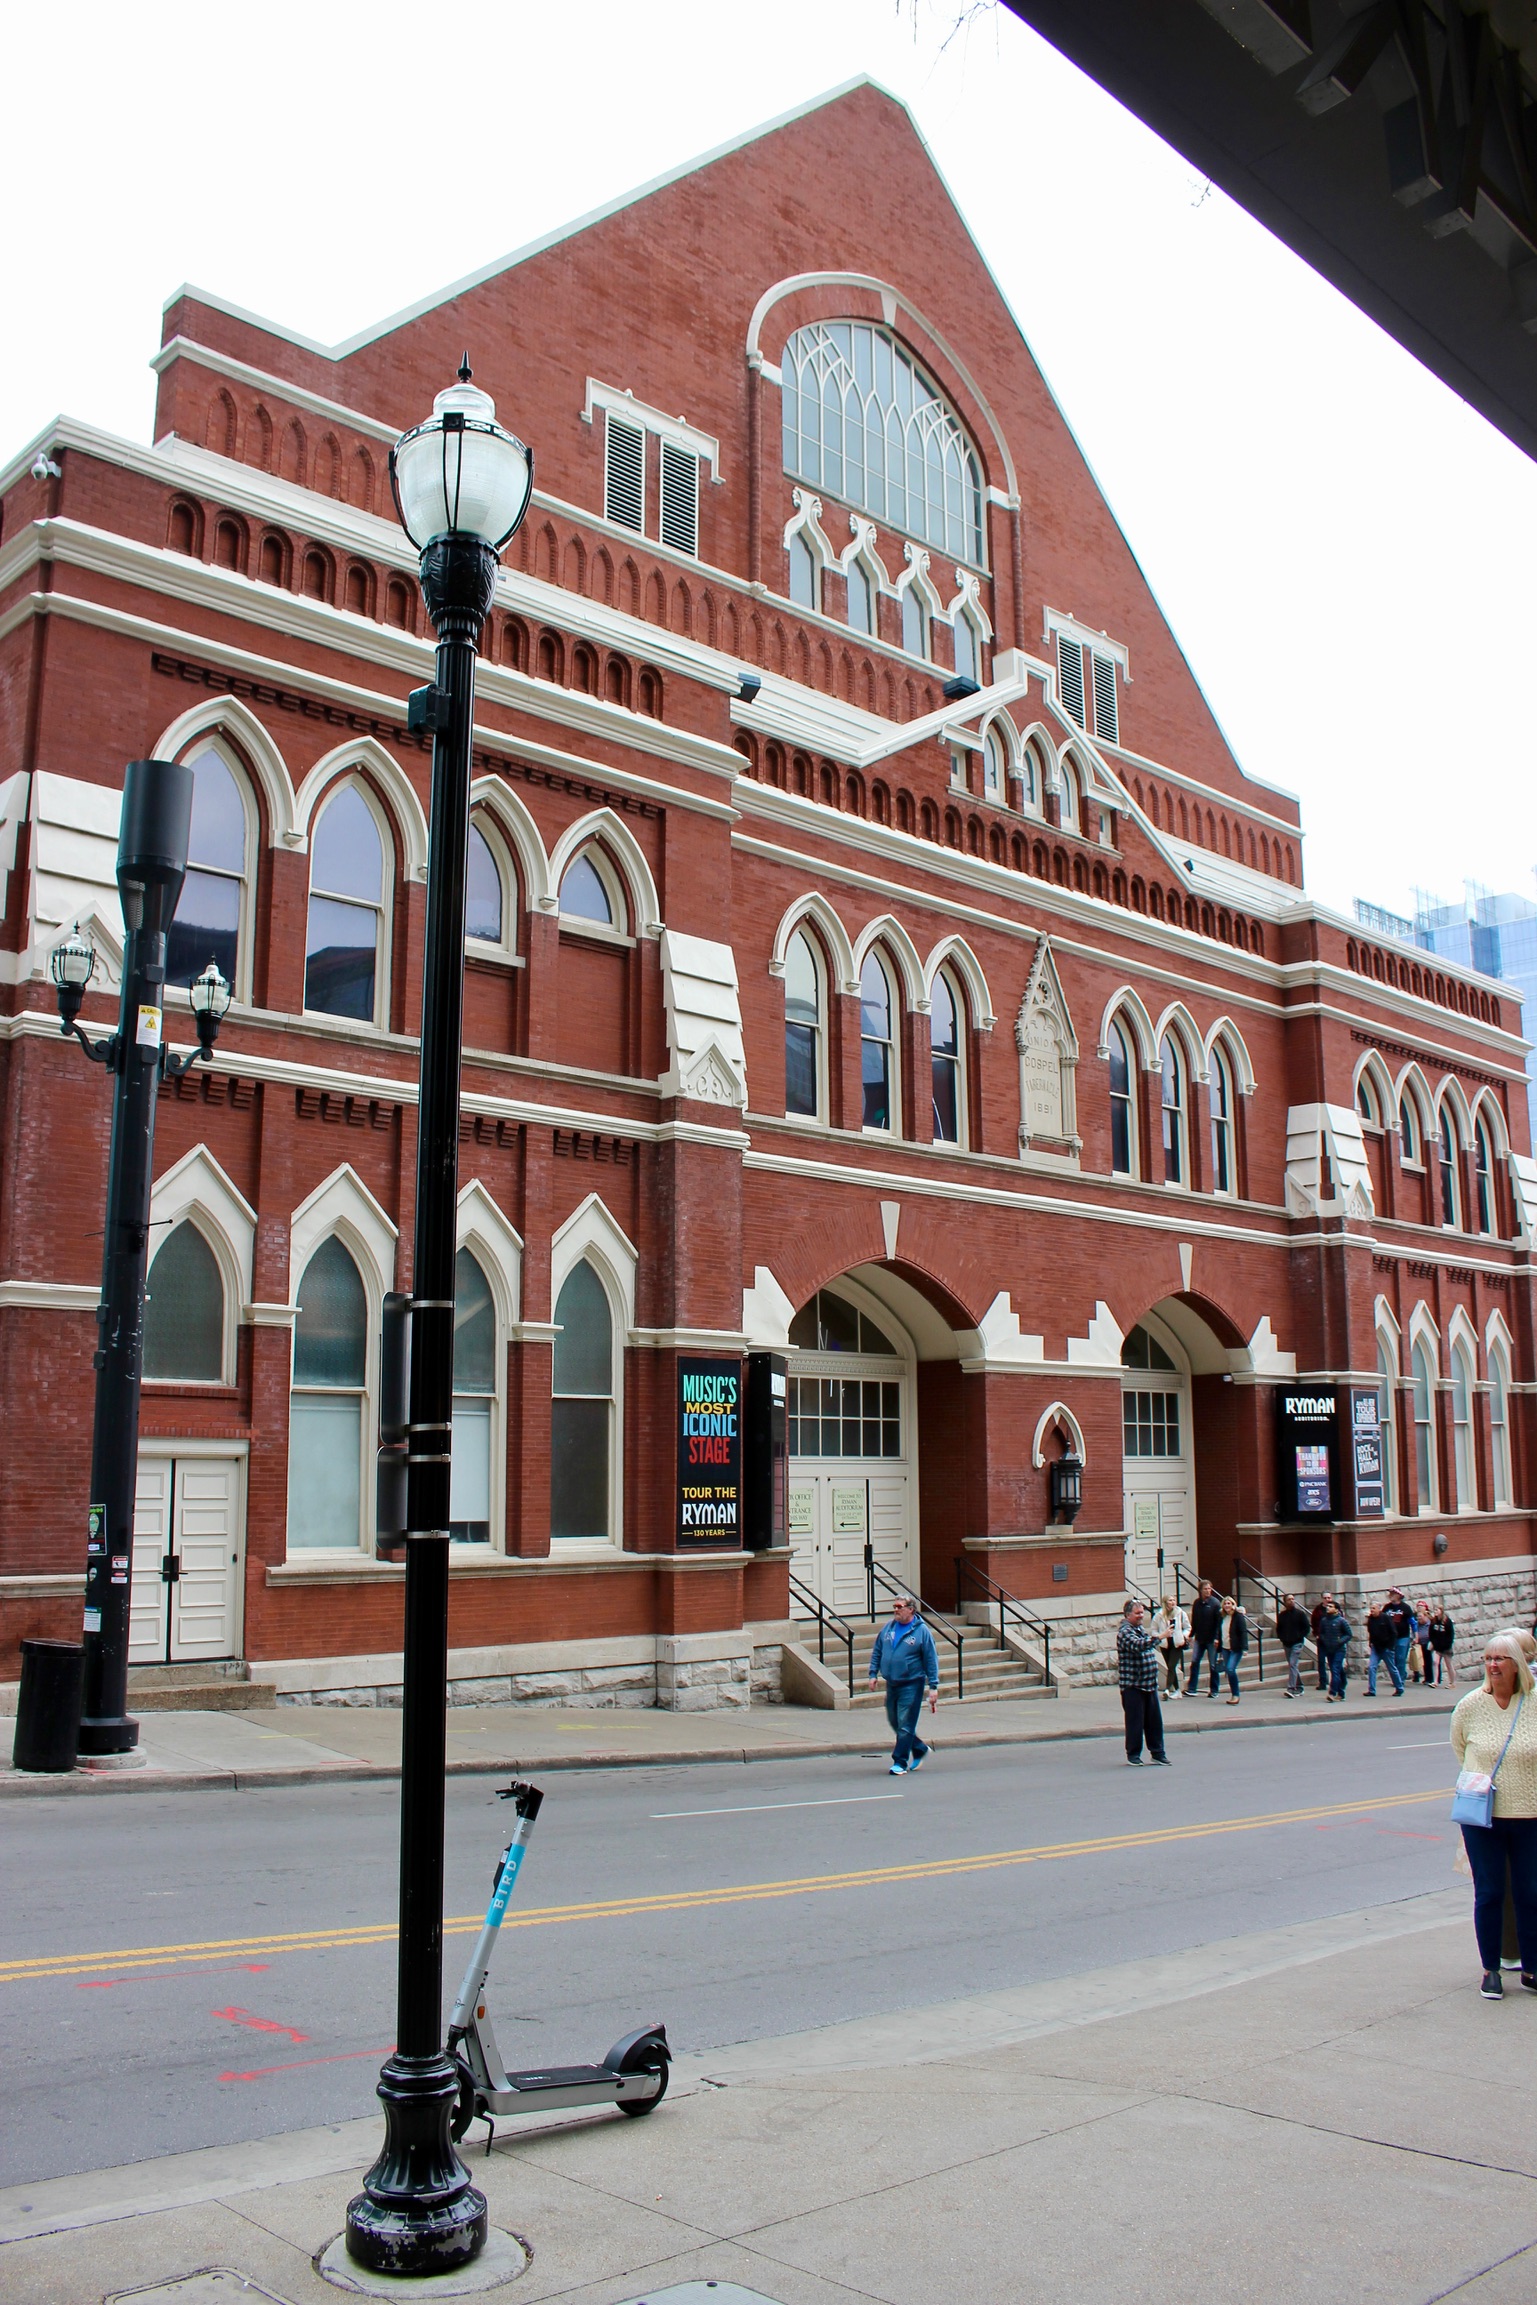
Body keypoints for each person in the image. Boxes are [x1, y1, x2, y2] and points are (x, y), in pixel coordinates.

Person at [1449, 1631, 1537, 1999]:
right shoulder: (1470, 1705)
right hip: (1483, 1817)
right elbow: (1460, 1749)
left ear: (1518, 1664)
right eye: (1488, 1658)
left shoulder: (1533, 1702)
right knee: (1488, 1892)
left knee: (1530, 1892)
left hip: (1530, 1816)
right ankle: (1491, 1969)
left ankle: (1531, 1967)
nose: (1493, 1665)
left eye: (1500, 1659)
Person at [868, 1594, 938, 1776]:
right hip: (892, 1683)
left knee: (905, 1724)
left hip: (912, 1684)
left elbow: (931, 1660)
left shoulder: (921, 1632)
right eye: (895, 1606)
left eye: (900, 1606)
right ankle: (920, 1748)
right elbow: (877, 1651)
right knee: (894, 1721)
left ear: (911, 1609)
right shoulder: (888, 1628)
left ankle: (900, 1761)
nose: (896, 1610)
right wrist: (873, 1673)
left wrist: (933, 1687)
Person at [1117, 1598, 1170, 1765]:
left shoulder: (1138, 1628)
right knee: (1135, 1722)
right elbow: (1139, 1645)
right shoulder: (1125, 1632)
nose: (1141, 1616)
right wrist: (1160, 1636)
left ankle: (1157, 1753)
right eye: (1137, 1613)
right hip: (1133, 1685)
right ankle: (1133, 1755)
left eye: (1142, 1612)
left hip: (1149, 1685)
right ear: (1127, 1615)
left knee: (1154, 1722)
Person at [1186, 1579, 1224, 1699]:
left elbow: (1219, 1623)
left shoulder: (1215, 1603)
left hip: (1212, 1639)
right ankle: (1192, 1688)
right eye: (1205, 1589)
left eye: (1209, 1589)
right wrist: (1191, 1635)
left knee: (1213, 1665)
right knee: (1195, 1662)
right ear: (1200, 1590)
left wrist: (1217, 1638)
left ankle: (1214, 1690)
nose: (1208, 1591)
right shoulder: (1197, 1603)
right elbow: (1195, 1621)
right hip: (1200, 1638)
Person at [1151, 1594, 1189, 1697]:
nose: (1173, 1602)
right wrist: (1160, 1636)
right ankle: (1177, 1690)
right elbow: (1154, 1630)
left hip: (1177, 1643)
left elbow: (1187, 1628)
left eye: (1174, 1600)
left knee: (1172, 1665)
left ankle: (1167, 1689)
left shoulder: (1180, 1613)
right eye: (1170, 1600)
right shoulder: (1158, 1615)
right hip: (1165, 1644)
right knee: (1170, 1667)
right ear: (1165, 1603)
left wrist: (1184, 1635)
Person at [1367, 1598, 1405, 1697]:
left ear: (1379, 1609)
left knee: (1392, 1668)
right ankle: (1371, 1690)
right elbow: (1371, 1632)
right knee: (1372, 1667)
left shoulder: (1386, 1618)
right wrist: (1370, 1642)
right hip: (1376, 1647)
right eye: (1371, 1608)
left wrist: (1390, 1647)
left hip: (1386, 1648)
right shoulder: (1371, 1619)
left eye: (1374, 1608)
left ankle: (1399, 1688)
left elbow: (1393, 1633)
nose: (1372, 1610)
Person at [1276, 1592, 1311, 1698]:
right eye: (1289, 1599)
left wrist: (1299, 1637)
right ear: (1285, 1602)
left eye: (1293, 1599)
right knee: (1293, 1665)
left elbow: (1306, 1628)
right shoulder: (1282, 1615)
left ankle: (1291, 1688)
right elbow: (1279, 1629)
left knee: (1292, 1664)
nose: (1292, 1601)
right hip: (1287, 1644)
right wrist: (1282, 1638)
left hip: (1297, 1643)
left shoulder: (1300, 1614)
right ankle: (1299, 1686)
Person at [1319, 1599, 1353, 1701]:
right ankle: (1341, 1690)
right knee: (1338, 1670)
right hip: (1329, 1649)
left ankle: (1332, 1693)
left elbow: (1349, 1634)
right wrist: (1324, 1640)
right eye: (1327, 1606)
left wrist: (1340, 1641)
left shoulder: (1341, 1621)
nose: (1328, 1608)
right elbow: (1321, 1633)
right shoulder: (1324, 1621)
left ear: (1336, 1610)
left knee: (1335, 1669)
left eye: (1331, 1606)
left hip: (1339, 1649)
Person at [1218, 1594, 1248, 1704]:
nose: (1227, 1605)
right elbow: (1220, 1631)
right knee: (1228, 1670)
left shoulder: (1238, 1616)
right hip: (1225, 1647)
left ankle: (1236, 1694)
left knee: (1230, 1669)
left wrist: (1245, 1648)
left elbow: (1243, 1632)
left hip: (1236, 1648)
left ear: (1233, 1605)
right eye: (1225, 1604)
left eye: (1229, 1603)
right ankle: (1233, 1694)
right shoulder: (1222, 1617)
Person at [1385, 1589, 1416, 1692]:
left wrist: (1416, 1635)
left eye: (1392, 1594)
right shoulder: (1387, 1607)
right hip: (1390, 1637)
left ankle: (1400, 1680)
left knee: (1400, 1658)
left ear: (1398, 1596)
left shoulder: (1405, 1608)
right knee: (1391, 1659)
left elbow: (1412, 1622)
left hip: (1403, 1637)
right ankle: (1396, 1678)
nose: (1390, 1596)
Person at [1310, 1591, 1337, 1691]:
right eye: (1325, 1598)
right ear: (1322, 1599)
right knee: (1321, 1661)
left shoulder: (1335, 1608)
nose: (1327, 1600)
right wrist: (1316, 1634)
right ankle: (1323, 1682)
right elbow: (1314, 1622)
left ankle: (1335, 1681)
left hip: (1332, 1640)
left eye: (1329, 1598)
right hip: (1321, 1639)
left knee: (1332, 1662)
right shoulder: (1318, 1610)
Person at [1428, 1604, 1457, 1689]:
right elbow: (1431, 1633)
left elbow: (1450, 1635)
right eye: (1435, 1610)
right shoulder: (1434, 1621)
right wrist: (1433, 1643)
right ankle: (1435, 1681)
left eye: (1437, 1610)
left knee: (1448, 1665)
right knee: (1435, 1662)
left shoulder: (1447, 1621)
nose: (1435, 1612)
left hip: (1446, 1647)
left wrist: (1447, 1645)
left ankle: (1452, 1682)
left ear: (1441, 1611)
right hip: (1437, 1647)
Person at [1411, 1600, 1433, 1684]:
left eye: (1421, 1606)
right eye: (1418, 1606)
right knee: (1417, 1660)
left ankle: (1430, 1678)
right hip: (1419, 1643)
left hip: (1428, 1643)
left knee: (1429, 1661)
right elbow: (1414, 1630)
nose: (1419, 1618)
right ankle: (1417, 1676)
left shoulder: (1429, 1622)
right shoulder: (1416, 1621)